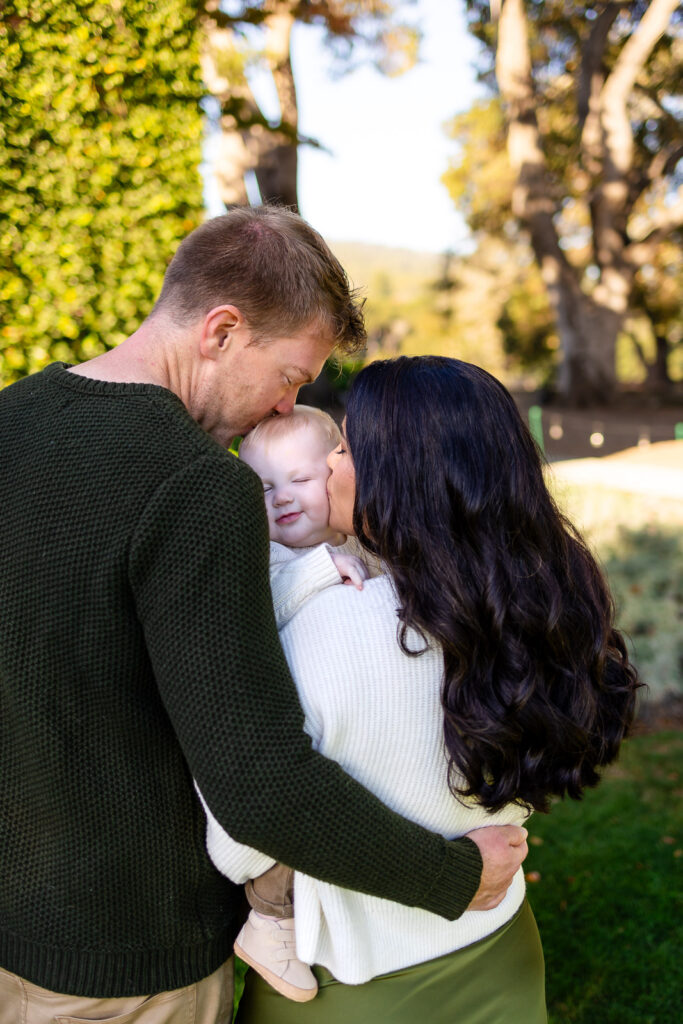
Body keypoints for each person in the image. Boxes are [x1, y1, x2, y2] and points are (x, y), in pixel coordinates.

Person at [0, 208, 527, 1024]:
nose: (287, 407)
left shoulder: (15, 414)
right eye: (288, 373)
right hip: (130, 964)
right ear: (220, 331)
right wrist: (456, 878)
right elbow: (259, 783)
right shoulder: (199, 488)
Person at [203, 356, 640, 1024]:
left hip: (353, 988)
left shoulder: (322, 628)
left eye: (345, 447)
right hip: (500, 945)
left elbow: (235, 838)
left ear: (396, 471)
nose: (325, 467)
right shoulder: (532, 608)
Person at [225, 406, 372, 1002]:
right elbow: (272, 599)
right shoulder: (268, 558)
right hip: (267, 733)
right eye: (263, 487)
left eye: (301, 480)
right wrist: (319, 569)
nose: (282, 498)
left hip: (333, 721)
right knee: (285, 817)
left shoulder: (352, 542)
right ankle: (268, 919)